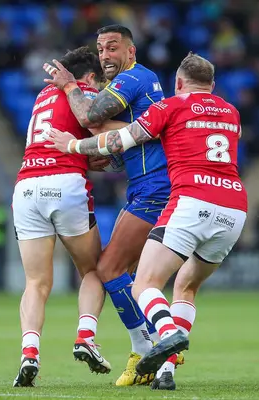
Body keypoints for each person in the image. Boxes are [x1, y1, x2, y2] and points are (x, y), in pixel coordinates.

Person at [45, 52, 247, 391]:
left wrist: (75, 144)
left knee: (144, 284)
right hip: (234, 206)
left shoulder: (171, 106)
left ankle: (165, 336)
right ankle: (166, 372)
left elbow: (121, 141)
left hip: (191, 201)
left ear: (178, 84)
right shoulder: (231, 112)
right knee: (186, 287)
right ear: (212, 86)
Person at [43, 24, 177, 386]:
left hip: (155, 189)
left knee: (109, 268)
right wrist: (104, 152)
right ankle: (159, 358)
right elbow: (124, 141)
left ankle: (148, 347)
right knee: (137, 278)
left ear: (130, 52)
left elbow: (88, 117)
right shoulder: (139, 86)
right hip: (147, 186)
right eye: (101, 49)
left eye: (112, 48)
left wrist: (70, 85)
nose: (105, 55)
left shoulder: (134, 78)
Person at [11, 46, 111, 387]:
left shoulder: (42, 96)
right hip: (65, 183)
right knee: (94, 270)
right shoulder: (86, 93)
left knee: (36, 283)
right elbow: (100, 135)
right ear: (90, 76)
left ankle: (29, 353)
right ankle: (85, 336)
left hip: (26, 186)